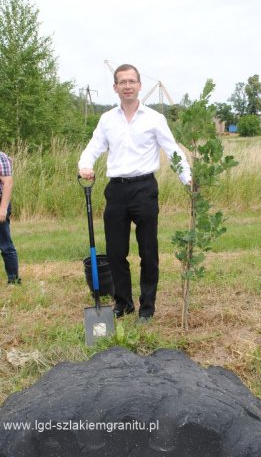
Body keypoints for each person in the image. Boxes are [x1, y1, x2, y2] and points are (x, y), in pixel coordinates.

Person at [78, 64, 191, 322]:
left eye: (132, 81)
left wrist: (187, 178)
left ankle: (147, 308)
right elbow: (93, 147)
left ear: (139, 85)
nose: (127, 86)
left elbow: (172, 150)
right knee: (116, 253)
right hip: (116, 191)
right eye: (122, 82)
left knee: (148, 252)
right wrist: (85, 166)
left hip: (144, 190)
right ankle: (124, 303)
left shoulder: (154, 118)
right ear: (115, 87)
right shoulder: (107, 119)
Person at [0, 151, 21, 284]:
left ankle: (13, 280)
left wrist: (3, 209)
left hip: (0, 203)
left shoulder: (1, 157)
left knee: (5, 244)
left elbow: (8, 182)